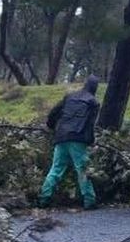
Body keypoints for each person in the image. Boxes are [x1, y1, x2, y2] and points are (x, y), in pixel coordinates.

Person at [40, 75, 100, 210]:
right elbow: (90, 124)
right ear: (95, 87)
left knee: (56, 168)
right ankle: (89, 201)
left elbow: (54, 112)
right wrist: (91, 141)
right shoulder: (93, 102)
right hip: (78, 139)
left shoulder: (69, 97)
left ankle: (44, 198)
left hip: (61, 137)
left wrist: (51, 126)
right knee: (83, 169)